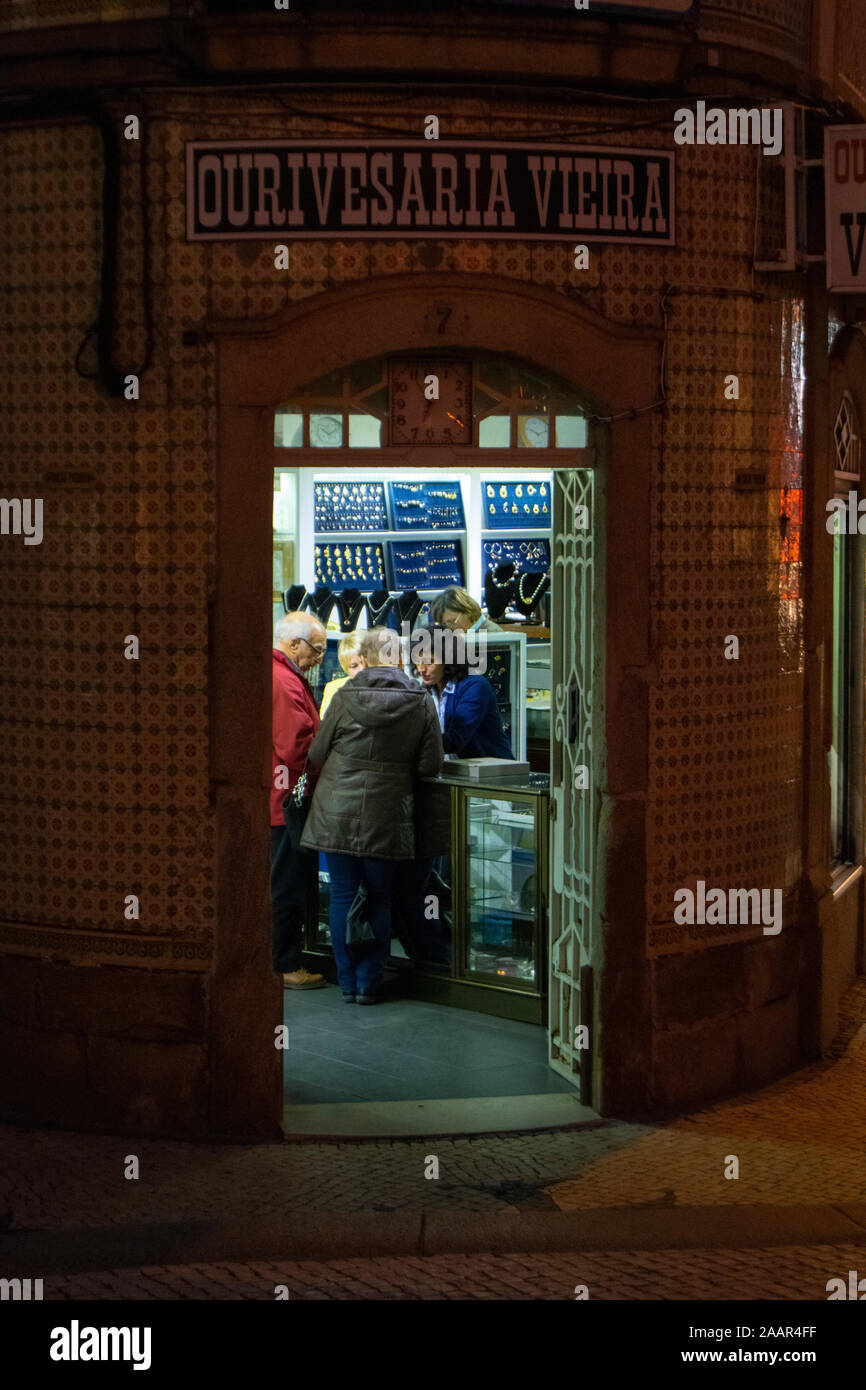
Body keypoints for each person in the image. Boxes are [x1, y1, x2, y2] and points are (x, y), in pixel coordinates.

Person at [300, 627, 444, 1003]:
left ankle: (346, 981)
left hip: (336, 811)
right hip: (389, 814)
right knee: (379, 896)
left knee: (343, 894)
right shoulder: (420, 700)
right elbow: (431, 765)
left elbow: (315, 754)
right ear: (397, 658)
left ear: (362, 656)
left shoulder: (345, 696)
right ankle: (368, 981)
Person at [271, 612, 329, 990]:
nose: (320, 658)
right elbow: (295, 745)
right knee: (286, 884)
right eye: (317, 649)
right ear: (294, 644)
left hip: (278, 797)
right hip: (285, 802)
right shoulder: (285, 680)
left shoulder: (281, 674)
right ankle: (285, 964)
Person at [414, 625, 514, 760]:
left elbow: (456, 740)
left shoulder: (475, 686)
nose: (421, 669)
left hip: (489, 774)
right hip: (449, 773)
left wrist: (409, 743)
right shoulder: (425, 689)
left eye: (429, 662)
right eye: (417, 662)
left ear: (449, 659)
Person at [319, 631, 366, 717]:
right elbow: (326, 727)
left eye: (366, 663)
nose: (362, 669)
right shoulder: (334, 689)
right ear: (345, 668)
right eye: (354, 666)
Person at [429, 585, 503, 633]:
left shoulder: (492, 634)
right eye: (444, 625)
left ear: (468, 611)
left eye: (452, 621)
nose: (450, 628)